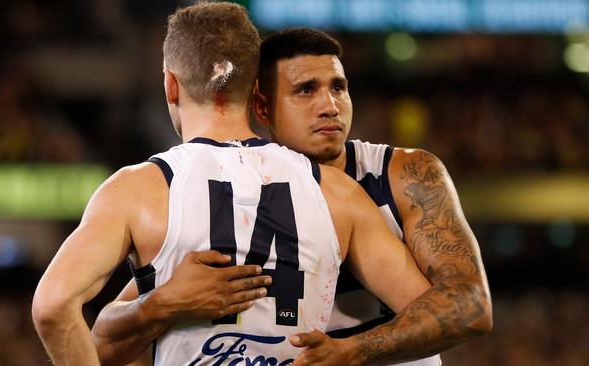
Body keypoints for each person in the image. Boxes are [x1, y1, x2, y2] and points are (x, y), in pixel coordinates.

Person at [33, 3, 429, 366]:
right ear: (256, 88)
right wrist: (351, 351)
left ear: (171, 84)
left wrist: (159, 304)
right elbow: (431, 313)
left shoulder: (139, 190)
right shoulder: (337, 191)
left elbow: (53, 307)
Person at [93, 26, 493, 366]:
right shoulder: (232, 196)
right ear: (261, 107)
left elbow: (471, 304)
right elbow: (105, 339)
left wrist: (351, 351)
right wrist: (158, 304)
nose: (330, 105)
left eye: (339, 87)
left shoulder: (403, 173)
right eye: (306, 90)